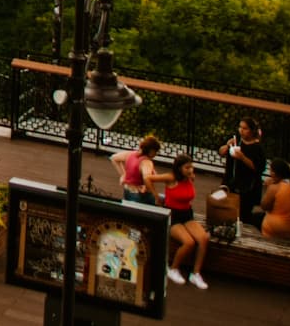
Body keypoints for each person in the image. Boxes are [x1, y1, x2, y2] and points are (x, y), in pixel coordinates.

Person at [149, 156, 210, 290]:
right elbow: (148, 178)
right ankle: (173, 269)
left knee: (203, 238)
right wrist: (156, 196)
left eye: (191, 167)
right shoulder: (171, 178)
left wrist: (190, 175)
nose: (190, 170)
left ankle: (195, 273)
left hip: (187, 214)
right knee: (189, 242)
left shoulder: (189, 178)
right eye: (187, 167)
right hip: (173, 215)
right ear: (179, 168)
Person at [221, 117, 266, 227]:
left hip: (247, 187)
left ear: (251, 131)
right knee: (227, 210)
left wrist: (242, 158)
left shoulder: (257, 148)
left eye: (245, 128)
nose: (241, 130)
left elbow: (258, 168)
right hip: (231, 181)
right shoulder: (236, 141)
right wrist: (227, 145)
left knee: (243, 216)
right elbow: (221, 152)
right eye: (240, 127)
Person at [110, 134, 163, 204]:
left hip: (127, 192)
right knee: (163, 200)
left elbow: (114, 158)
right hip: (138, 195)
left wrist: (124, 175)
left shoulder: (131, 154)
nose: (155, 154)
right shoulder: (146, 162)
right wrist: (154, 195)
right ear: (151, 151)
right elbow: (147, 178)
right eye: (156, 152)